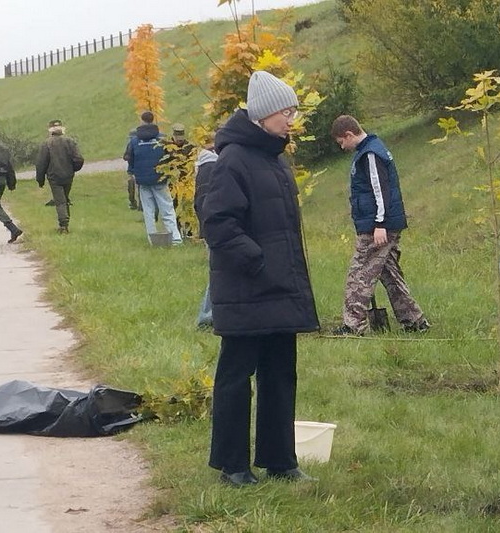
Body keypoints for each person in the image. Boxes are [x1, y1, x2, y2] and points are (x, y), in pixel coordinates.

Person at [201, 71, 319, 486]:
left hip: (279, 290)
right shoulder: (233, 159)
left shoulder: (275, 159)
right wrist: (257, 262)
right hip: (248, 290)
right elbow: (217, 223)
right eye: (286, 112)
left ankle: (280, 461)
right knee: (236, 378)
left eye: (292, 112)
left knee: (280, 374)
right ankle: (232, 466)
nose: (291, 119)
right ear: (264, 115)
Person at [331, 114, 429, 335]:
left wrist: (380, 224)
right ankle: (414, 321)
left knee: (359, 274)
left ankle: (352, 326)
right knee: (389, 272)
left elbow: (381, 191)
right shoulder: (371, 150)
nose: (342, 147)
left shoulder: (371, 155)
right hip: (380, 224)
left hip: (377, 227)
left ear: (348, 134)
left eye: (341, 142)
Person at [126, 112, 182, 245]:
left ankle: (153, 239)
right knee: (167, 209)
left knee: (148, 211)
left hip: (143, 181)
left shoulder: (134, 141)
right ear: (153, 120)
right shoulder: (163, 138)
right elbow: (171, 157)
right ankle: (175, 238)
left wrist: (133, 172)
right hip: (160, 179)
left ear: (141, 121)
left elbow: (130, 159)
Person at [35, 119, 84, 234]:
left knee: (60, 201)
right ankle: (66, 223)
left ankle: (63, 225)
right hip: (68, 176)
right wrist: (73, 169)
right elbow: (79, 159)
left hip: (54, 177)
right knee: (65, 199)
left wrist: (40, 180)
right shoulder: (70, 142)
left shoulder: (46, 144)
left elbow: (41, 164)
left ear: (50, 130)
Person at [193, 135, 218, 329]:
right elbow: (204, 202)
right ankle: (206, 315)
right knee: (218, 271)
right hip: (215, 227)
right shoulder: (211, 167)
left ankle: (208, 314)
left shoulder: (205, 166)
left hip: (211, 225)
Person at [122, 125, 141, 210]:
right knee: (131, 187)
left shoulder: (139, 145)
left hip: (139, 170)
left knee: (141, 189)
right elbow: (125, 156)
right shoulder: (130, 145)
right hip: (131, 170)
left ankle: (141, 205)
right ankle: (132, 202)